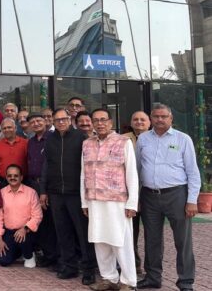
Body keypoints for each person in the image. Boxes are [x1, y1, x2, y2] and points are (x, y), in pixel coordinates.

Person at [136, 104, 200, 291]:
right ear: (151, 119)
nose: (160, 119)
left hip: (177, 195)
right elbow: (137, 169)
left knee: (183, 241)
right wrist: (136, 197)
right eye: (156, 116)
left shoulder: (183, 139)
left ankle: (186, 282)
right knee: (152, 240)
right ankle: (153, 277)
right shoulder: (143, 139)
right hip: (149, 196)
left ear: (171, 118)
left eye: (164, 116)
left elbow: (193, 172)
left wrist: (192, 200)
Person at [82, 108, 139, 291]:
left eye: (103, 120)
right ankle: (109, 279)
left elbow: (132, 174)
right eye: (96, 120)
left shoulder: (123, 142)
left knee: (120, 241)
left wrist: (132, 203)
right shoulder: (87, 144)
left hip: (117, 201)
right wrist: (84, 202)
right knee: (100, 240)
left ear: (110, 122)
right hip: (94, 200)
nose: (100, 123)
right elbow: (83, 174)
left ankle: (128, 281)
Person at [41, 108, 96, 285]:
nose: (61, 122)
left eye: (64, 119)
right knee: (63, 232)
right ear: (53, 122)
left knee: (83, 233)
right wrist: (43, 191)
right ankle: (69, 266)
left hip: (76, 194)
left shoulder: (81, 137)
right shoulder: (50, 139)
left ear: (69, 119)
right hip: (56, 193)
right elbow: (46, 166)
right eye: (57, 120)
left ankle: (89, 269)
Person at [25, 112, 58, 268]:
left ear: (45, 121)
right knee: (41, 221)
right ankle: (48, 255)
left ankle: (58, 257)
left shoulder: (53, 138)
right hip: (34, 185)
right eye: (32, 122)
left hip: (49, 186)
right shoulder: (31, 142)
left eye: (38, 120)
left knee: (53, 222)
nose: (36, 124)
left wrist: (44, 189)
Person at [0, 164, 42, 268]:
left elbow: (38, 215)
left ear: (21, 177)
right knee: (3, 261)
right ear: (6, 177)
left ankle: (29, 255)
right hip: (9, 232)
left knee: (23, 238)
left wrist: (25, 228)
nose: (13, 178)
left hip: (27, 231)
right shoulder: (1, 193)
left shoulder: (31, 193)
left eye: (16, 175)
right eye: (10, 176)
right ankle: (18, 252)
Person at [121, 110, 150, 276]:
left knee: (152, 233)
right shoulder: (123, 139)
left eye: (142, 119)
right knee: (131, 232)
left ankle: (152, 269)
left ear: (149, 122)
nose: (139, 122)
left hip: (150, 192)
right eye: (135, 119)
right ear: (131, 122)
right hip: (130, 193)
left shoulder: (155, 138)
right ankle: (133, 265)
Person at [0, 118, 28, 186]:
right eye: (4, 128)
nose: (7, 130)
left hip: (22, 181)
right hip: (3, 182)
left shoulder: (25, 143)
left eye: (9, 127)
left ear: (15, 128)